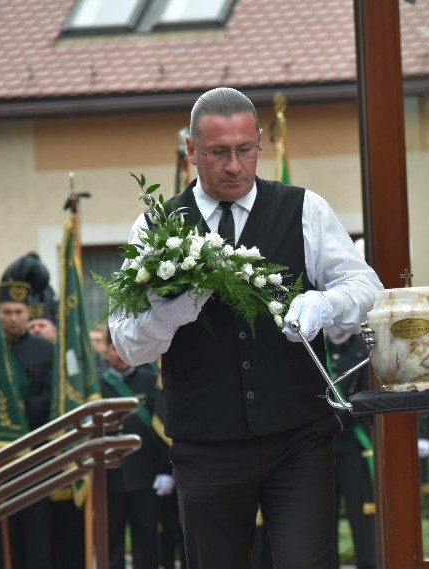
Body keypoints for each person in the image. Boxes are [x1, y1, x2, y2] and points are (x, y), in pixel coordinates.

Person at [109, 86, 383, 569]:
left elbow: (367, 289)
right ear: (192, 151)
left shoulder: (304, 209)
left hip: (298, 434)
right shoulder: (156, 225)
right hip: (206, 443)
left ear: (260, 143)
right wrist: (166, 318)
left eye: (245, 150)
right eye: (218, 153)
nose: (234, 166)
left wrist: (325, 303)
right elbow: (125, 343)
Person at [0, 279, 84, 569]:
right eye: (6, 312)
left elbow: (53, 398)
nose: (13, 318)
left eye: (18, 311)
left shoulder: (45, 349)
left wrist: (17, 411)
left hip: (36, 455)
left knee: (37, 534)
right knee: (1, 535)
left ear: (28, 313)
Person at [101, 330, 174, 569]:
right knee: (112, 542)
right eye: (114, 348)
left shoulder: (150, 380)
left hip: (147, 478)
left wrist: (165, 470)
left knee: (147, 542)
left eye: (123, 348)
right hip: (110, 478)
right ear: (105, 350)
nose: (119, 354)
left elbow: (163, 428)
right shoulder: (97, 384)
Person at [328, 331, 376, 569]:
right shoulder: (318, 347)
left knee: (363, 514)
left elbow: (369, 394)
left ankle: (368, 563)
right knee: (323, 517)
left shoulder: (365, 348)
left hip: (354, 444)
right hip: (321, 446)